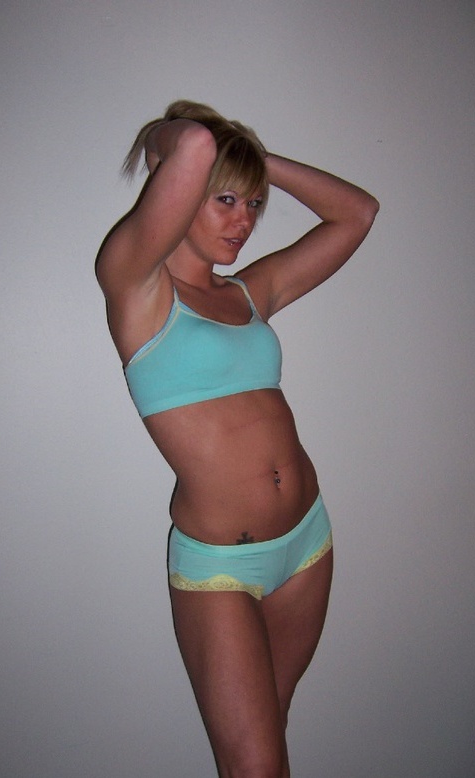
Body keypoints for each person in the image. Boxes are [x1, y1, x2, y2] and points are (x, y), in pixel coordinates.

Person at [96, 99, 379, 777]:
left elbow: (358, 214)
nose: (245, 220)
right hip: (220, 565)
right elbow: (192, 143)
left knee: (266, 744)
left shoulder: (251, 293)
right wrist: (191, 149)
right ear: (182, 186)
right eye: (225, 199)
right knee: (256, 768)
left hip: (307, 542)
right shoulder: (135, 286)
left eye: (253, 204)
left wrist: (254, 165)